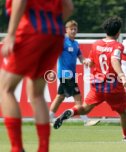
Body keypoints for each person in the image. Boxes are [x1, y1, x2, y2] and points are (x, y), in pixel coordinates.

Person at [0, 0, 73, 152]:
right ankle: (43, 148)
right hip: (55, 35)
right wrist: (54, 25)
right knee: (37, 94)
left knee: (5, 89)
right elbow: (68, 6)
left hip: (30, 31)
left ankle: (16, 148)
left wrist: (11, 34)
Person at [53, 16, 126, 141]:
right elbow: (114, 60)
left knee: (85, 108)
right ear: (118, 32)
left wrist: (88, 62)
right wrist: (123, 77)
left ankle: (70, 111)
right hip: (113, 86)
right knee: (123, 112)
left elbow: (91, 62)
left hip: (97, 85)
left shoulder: (96, 44)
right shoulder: (118, 46)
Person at [49, 20, 100, 127]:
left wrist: (85, 61)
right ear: (66, 30)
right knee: (78, 96)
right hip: (65, 74)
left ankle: (48, 119)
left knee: (60, 97)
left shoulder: (76, 43)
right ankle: (85, 120)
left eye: (75, 29)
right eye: (71, 29)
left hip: (72, 74)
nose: (73, 31)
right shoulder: (63, 41)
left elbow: (80, 57)